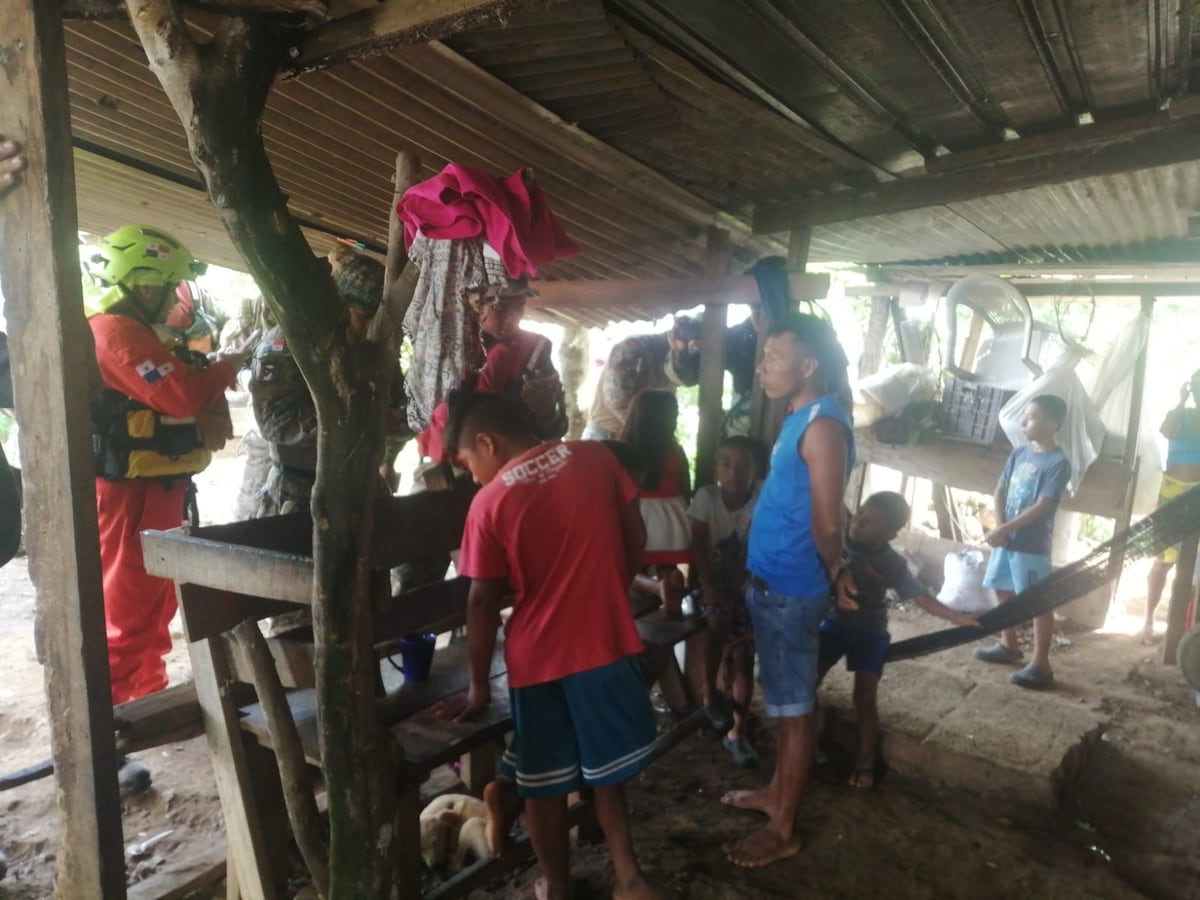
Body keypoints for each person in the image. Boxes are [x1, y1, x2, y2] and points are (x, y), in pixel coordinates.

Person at [440, 392, 666, 900]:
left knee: (544, 786)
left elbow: (481, 600)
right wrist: (608, 592)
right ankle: (630, 880)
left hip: (537, 661)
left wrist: (479, 685)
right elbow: (636, 534)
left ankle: (558, 888)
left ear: (486, 442)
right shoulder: (597, 456)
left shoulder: (490, 501)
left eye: (468, 462)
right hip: (605, 645)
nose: (474, 475)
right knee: (607, 775)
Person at [86, 225, 249, 707]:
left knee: (154, 610)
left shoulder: (139, 333)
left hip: (158, 491)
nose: (177, 299)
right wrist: (225, 367)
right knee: (125, 613)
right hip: (129, 495)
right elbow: (180, 394)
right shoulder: (114, 332)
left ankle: (145, 704)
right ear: (146, 284)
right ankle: (112, 726)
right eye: (171, 285)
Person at [718, 313, 856, 868]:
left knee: (794, 712)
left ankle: (783, 829)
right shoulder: (800, 415)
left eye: (776, 356)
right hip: (773, 584)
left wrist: (837, 572)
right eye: (765, 353)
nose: (763, 365)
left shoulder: (822, 425)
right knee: (783, 706)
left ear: (809, 365)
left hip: (793, 591)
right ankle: (777, 794)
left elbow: (828, 522)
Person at [817, 492, 981, 787]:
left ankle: (865, 762)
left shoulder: (892, 563)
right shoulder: (836, 537)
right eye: (861, 513)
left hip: (870, 634)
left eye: (872, 522)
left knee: (865, 699)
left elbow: (920, 596)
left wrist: (959, 619)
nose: (860, 522)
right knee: (806, 684)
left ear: (890, 535)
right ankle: (810, 744)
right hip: (832, 625)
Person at [249, 251, 406, 516]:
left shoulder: (373, 349)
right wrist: (361, 419)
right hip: (299, 493)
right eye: (365, 317)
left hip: (365, 489)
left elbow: (402, 412)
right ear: (338, 307)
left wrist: (392, 438)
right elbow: (275, 422)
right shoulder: (288, 343)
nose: (371, 329)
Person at [972, 394, 1071, 689]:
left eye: (1032, 417)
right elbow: (999, 489)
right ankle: (1009, 644)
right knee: (1002, 588)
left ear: (1053, 424)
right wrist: (1001, 528)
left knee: (1038, 601)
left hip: (1031, 545)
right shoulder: (1019, 453)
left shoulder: (1058, 462)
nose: (1024, 422)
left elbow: (1043, 506)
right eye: (1024, 416)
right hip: (1008, 539)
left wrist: (1006, 529)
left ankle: (1041, 664)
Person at [416, 277, 565, 465]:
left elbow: (556, 429)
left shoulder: (534, 351)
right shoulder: (447, 344)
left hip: (507, 468)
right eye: (500, 308)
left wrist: (546, 411)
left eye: (518, 307)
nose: (511, 318)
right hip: (445, 465)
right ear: (475, 305)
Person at [687, 435, 764, 767]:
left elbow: (752, 552)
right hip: (709, 585)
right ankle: (709, 694)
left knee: (744, 655)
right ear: (716, 466)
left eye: (744, 465)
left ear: (756, 470)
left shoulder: (760, 500)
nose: (734, 471)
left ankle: (737, 732)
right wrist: (713, 588)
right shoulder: (707, 497)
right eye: (726, 464)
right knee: (718, 621)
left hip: (744, 586)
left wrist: (734, 589)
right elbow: (698, 547)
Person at [621, 390, 692, 615]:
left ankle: (654, 588)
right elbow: (685, 486)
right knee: (666, 564)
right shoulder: (675, 451)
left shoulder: (625, 451)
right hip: (672, 519)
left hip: (640, 518)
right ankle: (669, 584)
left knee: (627, 567)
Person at [1142, 369, 1200, 643]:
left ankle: (1179, 626)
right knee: (1162, 561)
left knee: (1191, 566)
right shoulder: (1180, 416)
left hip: (1196, 497)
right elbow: (1167, 430)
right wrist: (1182, 400)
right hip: (1174, 494)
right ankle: (1148, 621)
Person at [582, 318, 702, 441]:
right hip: (607, 436)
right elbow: (617, 401)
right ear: (673, 340)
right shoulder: (632, 349)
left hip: (642, 437)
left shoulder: (682, 357)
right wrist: (650, 436)